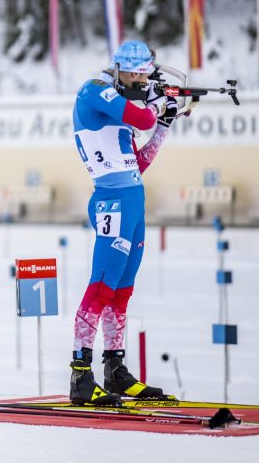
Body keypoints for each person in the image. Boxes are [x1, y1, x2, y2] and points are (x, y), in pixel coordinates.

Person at [68, 40, 178, 405]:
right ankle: (80, 375)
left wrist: (165, 124)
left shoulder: (120, 116)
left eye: (145, 77)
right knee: (101, 287)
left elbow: (137, 164)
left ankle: (115, 370)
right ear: (119, 70)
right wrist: (157, 106)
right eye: (136, 76)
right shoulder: (94, 90)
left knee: (121, 292)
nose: (141, 82)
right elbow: (143, 117)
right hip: (111, 202)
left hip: (132, 202)